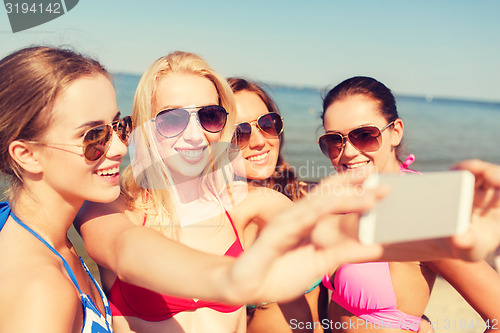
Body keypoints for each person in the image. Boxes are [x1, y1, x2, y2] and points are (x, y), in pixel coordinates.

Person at [75, 52, 393, 333]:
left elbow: (337, 229)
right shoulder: (110, 208)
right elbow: (129, 252)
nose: (195, 135)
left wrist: (434, 211)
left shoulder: (247, 203)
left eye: (209, 116)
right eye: (172, 119)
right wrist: (235, 278)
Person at [318, 76, 500, 333]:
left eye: (364, 135)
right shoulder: (345, 199)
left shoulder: (418, 211)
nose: (347, 152)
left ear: (396, 132)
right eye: (334, 140)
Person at [0, 46, 132, 332]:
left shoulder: (31, 231)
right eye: (94, 136)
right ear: (28, 155)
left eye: (119, 126)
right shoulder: (41, 289)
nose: (120, 147)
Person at [228, 77, 323, 333]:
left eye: (267, 124)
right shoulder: (220, 220)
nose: (259, 141)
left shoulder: (301, 194)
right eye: (240, 132)